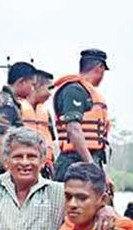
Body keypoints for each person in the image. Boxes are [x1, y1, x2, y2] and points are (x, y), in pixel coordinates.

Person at [52, 49, 111, 182]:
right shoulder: (73, 90)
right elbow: (73, 128)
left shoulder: (88, 92)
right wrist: (91, 165)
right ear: (100, 67)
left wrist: (101, 172)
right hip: (73, 162)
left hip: (90, 159)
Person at [0, 61, 37, 177]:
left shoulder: (11, 103)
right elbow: (1, 138)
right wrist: (8, 169)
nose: (32, 89)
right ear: (22, 82)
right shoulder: (5, 103)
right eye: (32, 85)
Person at [21, 69, 58, 179]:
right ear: (36, 86)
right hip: (24, 167)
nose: (50, 94)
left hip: (45, 169)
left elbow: (51, 139)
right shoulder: (17, 108)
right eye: (49, 88)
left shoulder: (45, 112)